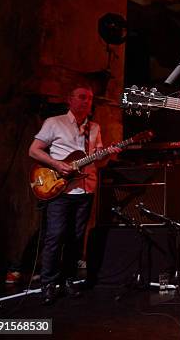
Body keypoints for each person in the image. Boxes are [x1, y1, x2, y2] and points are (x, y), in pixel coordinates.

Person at [28, 84, 120, 305]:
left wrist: (106, 154)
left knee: (77, 239)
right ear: (70, 100)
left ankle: (68, 280)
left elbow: (98, 161)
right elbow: (34, 150)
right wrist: (58, 165)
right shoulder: (54, 123)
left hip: (85, 188)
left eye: (89, 98)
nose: (86, 101)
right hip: (59, 188)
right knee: (55, 236)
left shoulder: (94, 128)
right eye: (81, 97)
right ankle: (48, 283)